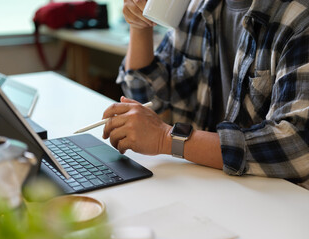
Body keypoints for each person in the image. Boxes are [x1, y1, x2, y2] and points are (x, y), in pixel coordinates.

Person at [102, 0, 309, 189]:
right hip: (208, 184)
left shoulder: (300, 19)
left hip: (275, 201)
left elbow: (298, 146)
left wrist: (167, 139)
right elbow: (146, 99)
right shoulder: (197, 6)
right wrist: (140, 25)